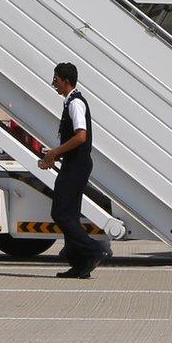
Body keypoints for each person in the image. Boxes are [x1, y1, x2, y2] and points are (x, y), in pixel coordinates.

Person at [39, 61, 107, 278]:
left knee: (60, 213)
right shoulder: (70, 102)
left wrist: (55, 152)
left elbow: (81, 136)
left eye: (56, 79)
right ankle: (80, 264)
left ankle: (93, 249)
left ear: (66, 80)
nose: (54, 84)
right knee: (70, 214)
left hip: (77, 165)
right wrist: (55, 155)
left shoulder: (76, 103)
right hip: (73, 163)